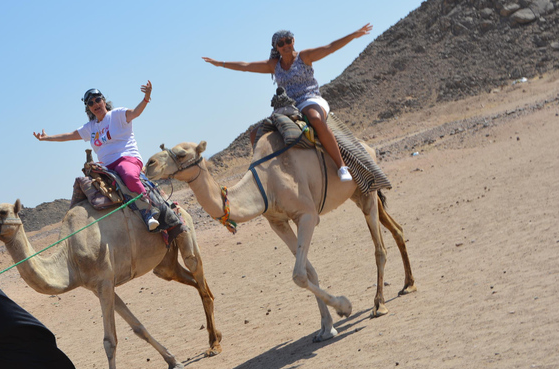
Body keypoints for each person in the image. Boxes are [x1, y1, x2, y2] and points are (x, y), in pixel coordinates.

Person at [202, 24, 373, 182]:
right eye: (281, 43)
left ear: (294, 41)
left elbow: (329, 48)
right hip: (287, 105)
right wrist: (220, 64)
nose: (285, 45)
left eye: (288, 41)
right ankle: (266, 174)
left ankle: (341, 166)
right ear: (276, 47)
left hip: (310, 98)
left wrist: (354, 35)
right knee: (255, 134)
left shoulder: (304, 57)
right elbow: (246, 66)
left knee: (314, 118)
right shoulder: (273, 65)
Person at [33, 81, 160, 230]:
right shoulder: (91, 127)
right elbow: (69, 135)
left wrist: (146, 97)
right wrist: (46, 138)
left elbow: (135, 112)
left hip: (126, 158)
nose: (95, 104)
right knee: (83, 185)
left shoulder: (117, 115)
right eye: (91, 103)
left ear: (104, 101)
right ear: (89, 109)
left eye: (97, 99)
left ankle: (149, 210)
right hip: (105, 167)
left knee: (128, 175)